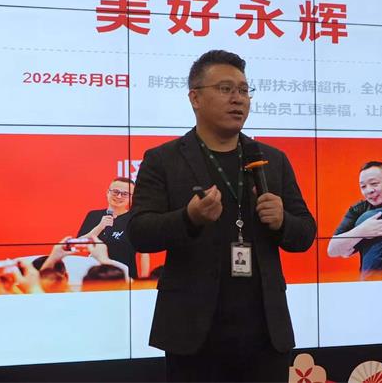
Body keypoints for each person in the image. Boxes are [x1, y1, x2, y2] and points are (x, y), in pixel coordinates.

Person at [127, 50, 316, 382]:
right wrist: (189, 218)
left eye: (243, 90)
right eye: (225, 89)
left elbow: (305, 234)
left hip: (264, 333)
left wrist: (283, 221)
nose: (238, 99)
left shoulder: (272, 159)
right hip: (193, 334)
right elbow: (139, 232)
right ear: (195, 98)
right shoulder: (163, 160)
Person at [77, 177, 145, 279]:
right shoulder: (94, 215)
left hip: (125, 277)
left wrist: (144, 281)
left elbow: (144, 253)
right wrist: (100, 226)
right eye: (115, 192)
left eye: (125, 194)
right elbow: (79, 244)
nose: (119, 196)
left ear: (132, 197)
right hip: (94, 277)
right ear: (107, 192)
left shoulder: (135, 219)